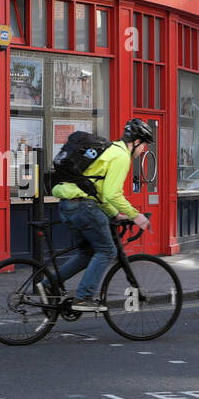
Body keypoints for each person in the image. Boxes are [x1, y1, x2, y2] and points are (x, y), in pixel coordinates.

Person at [51, 119, 153, 313]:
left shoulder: (110, 150)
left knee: (87, 253)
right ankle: (83, 297)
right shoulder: (121, 156)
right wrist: (136, 215)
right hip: (83, 206)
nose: (143, 149)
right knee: (108, 251)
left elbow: (99, 191)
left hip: (68, 204)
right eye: (144, 144)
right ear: (136, 142)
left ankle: (48, 285)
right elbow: (112, 193)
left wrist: (115, 214)